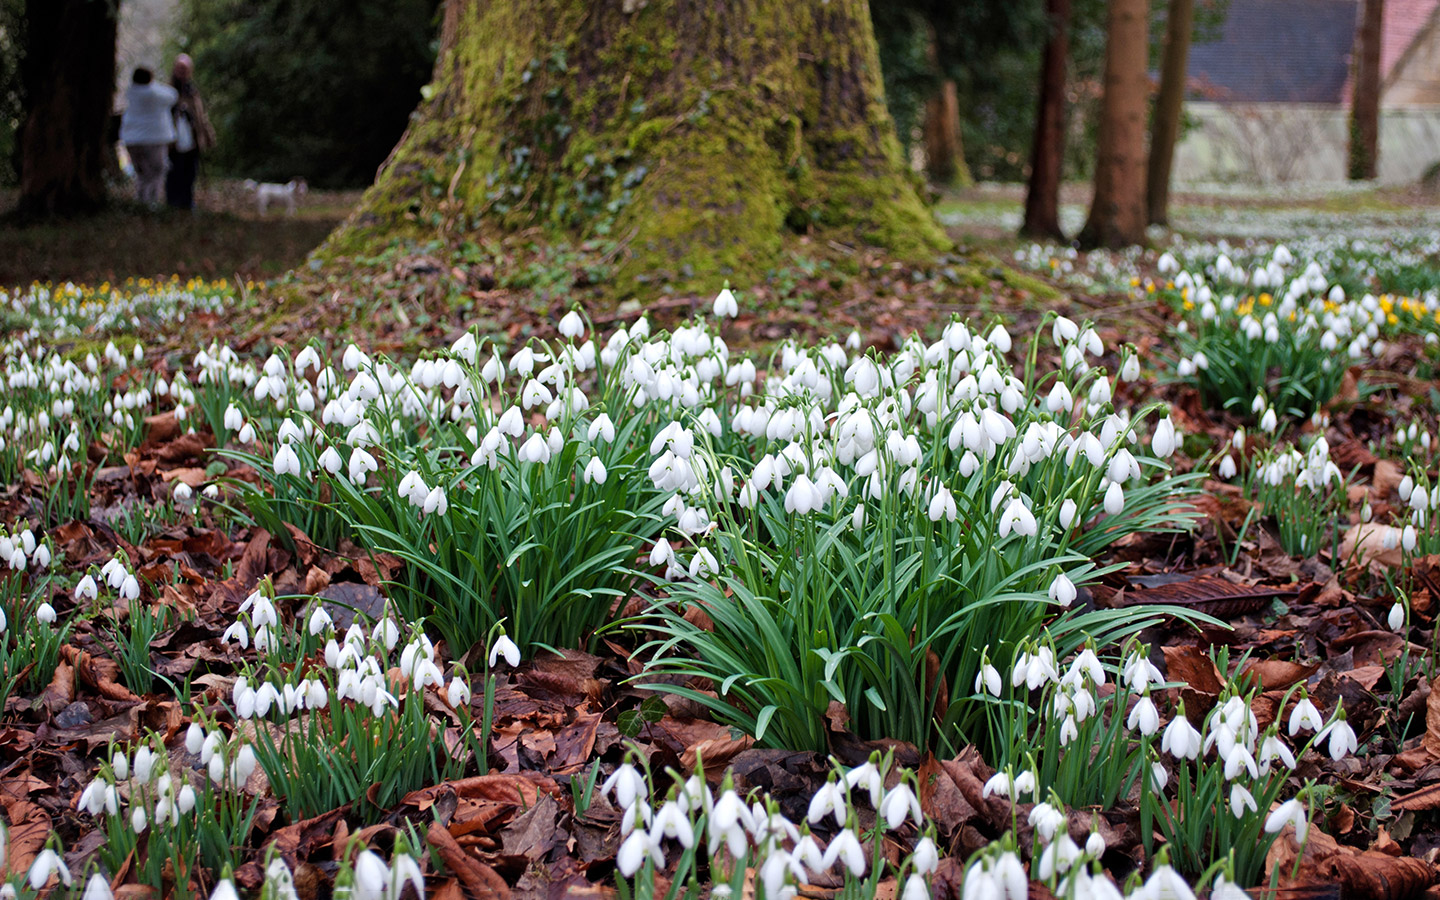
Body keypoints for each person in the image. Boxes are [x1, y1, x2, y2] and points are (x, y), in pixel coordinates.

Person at [119, 67, 177, 207]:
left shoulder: (131, 92)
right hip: (153, 140)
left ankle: (141, 200)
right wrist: (154, 83)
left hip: (132, 140)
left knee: (141, 173)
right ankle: (151, 202)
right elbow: (173, 95)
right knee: (156, 171)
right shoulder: (154, 93)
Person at [166, 54, 216, 210]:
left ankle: (187, 203)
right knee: (174, 173)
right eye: (179, 68)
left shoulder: (193, 92)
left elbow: (201, 116)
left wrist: (208, 136)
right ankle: (173, 203)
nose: (182, 72)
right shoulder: (168, 91)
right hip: (173, 141)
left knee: (190, 173)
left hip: (192, 140)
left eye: (185, 69)